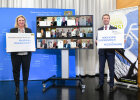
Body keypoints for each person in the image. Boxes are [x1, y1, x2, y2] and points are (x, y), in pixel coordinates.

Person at [10, 15, 32, 95]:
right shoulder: (12, 30)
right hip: (16, 55)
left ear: (25, 21)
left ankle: (25, 86)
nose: (21, 22)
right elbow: (11, 41)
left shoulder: (29, 30)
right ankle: (17, 87)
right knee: (16, 71)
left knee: (26, 71)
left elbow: (31, 41)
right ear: (17, 21)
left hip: (26, 54)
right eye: (19, 20)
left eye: (23, 20)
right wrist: (9, 47)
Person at [95, 14, 117, 93]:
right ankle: (100, 84)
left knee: (111, 69)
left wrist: (121, 41)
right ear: (102, 19)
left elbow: (116, 40)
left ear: (109, 19)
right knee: (101, 69)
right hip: (102, 52)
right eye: (104, 18)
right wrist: (96, 42)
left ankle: (112, 85)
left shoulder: (114, 29)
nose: (106, 19)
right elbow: (98, 40)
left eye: (107, 18)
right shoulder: (99, 29)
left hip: (110, 52)